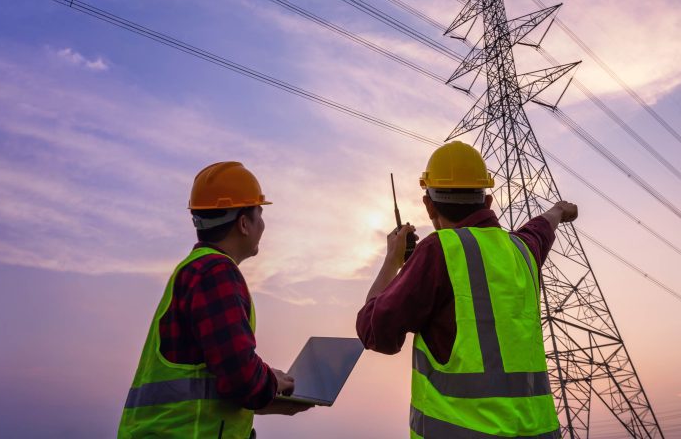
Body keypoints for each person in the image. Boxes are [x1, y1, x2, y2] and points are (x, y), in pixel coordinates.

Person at [356, 141, 575, 438]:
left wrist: (392, 260)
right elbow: (542, 227)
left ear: (428, 205)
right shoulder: (522, 250)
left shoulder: (438, 251)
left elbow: (374, 330)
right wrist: (559, 210)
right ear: (487, 202)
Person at [119, 161, 312, 439]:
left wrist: (269, 383)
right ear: (244, 224)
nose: (263, 223)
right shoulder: (215, 273)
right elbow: (239, 377)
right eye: (259, 212)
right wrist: (270, 382)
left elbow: (217, 376)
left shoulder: (195, 269)